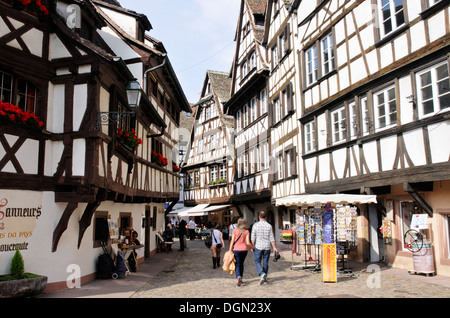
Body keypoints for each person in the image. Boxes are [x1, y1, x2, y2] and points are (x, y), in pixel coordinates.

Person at [251, 211, 278, 285]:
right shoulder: (269, 226)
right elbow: (272, 238)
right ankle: (264, 276)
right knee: (266, 261)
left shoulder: (255, 225)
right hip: (267, 246)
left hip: (258, 246)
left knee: (257, 260)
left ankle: (262, 274)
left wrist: (252, 246)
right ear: (266, 217)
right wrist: (274, 247)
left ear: (259, 217)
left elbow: (253, 237)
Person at [229, 218, 254, 287]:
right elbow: (248, 243)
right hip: (244, 250)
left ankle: (238, 276)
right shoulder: (246, 231)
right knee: (241, 264)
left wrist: (230, 249)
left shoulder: (235, 231)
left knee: (237, 264)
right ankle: (241, 277)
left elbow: (232, 241)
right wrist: (253, 248)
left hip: (236, 249)